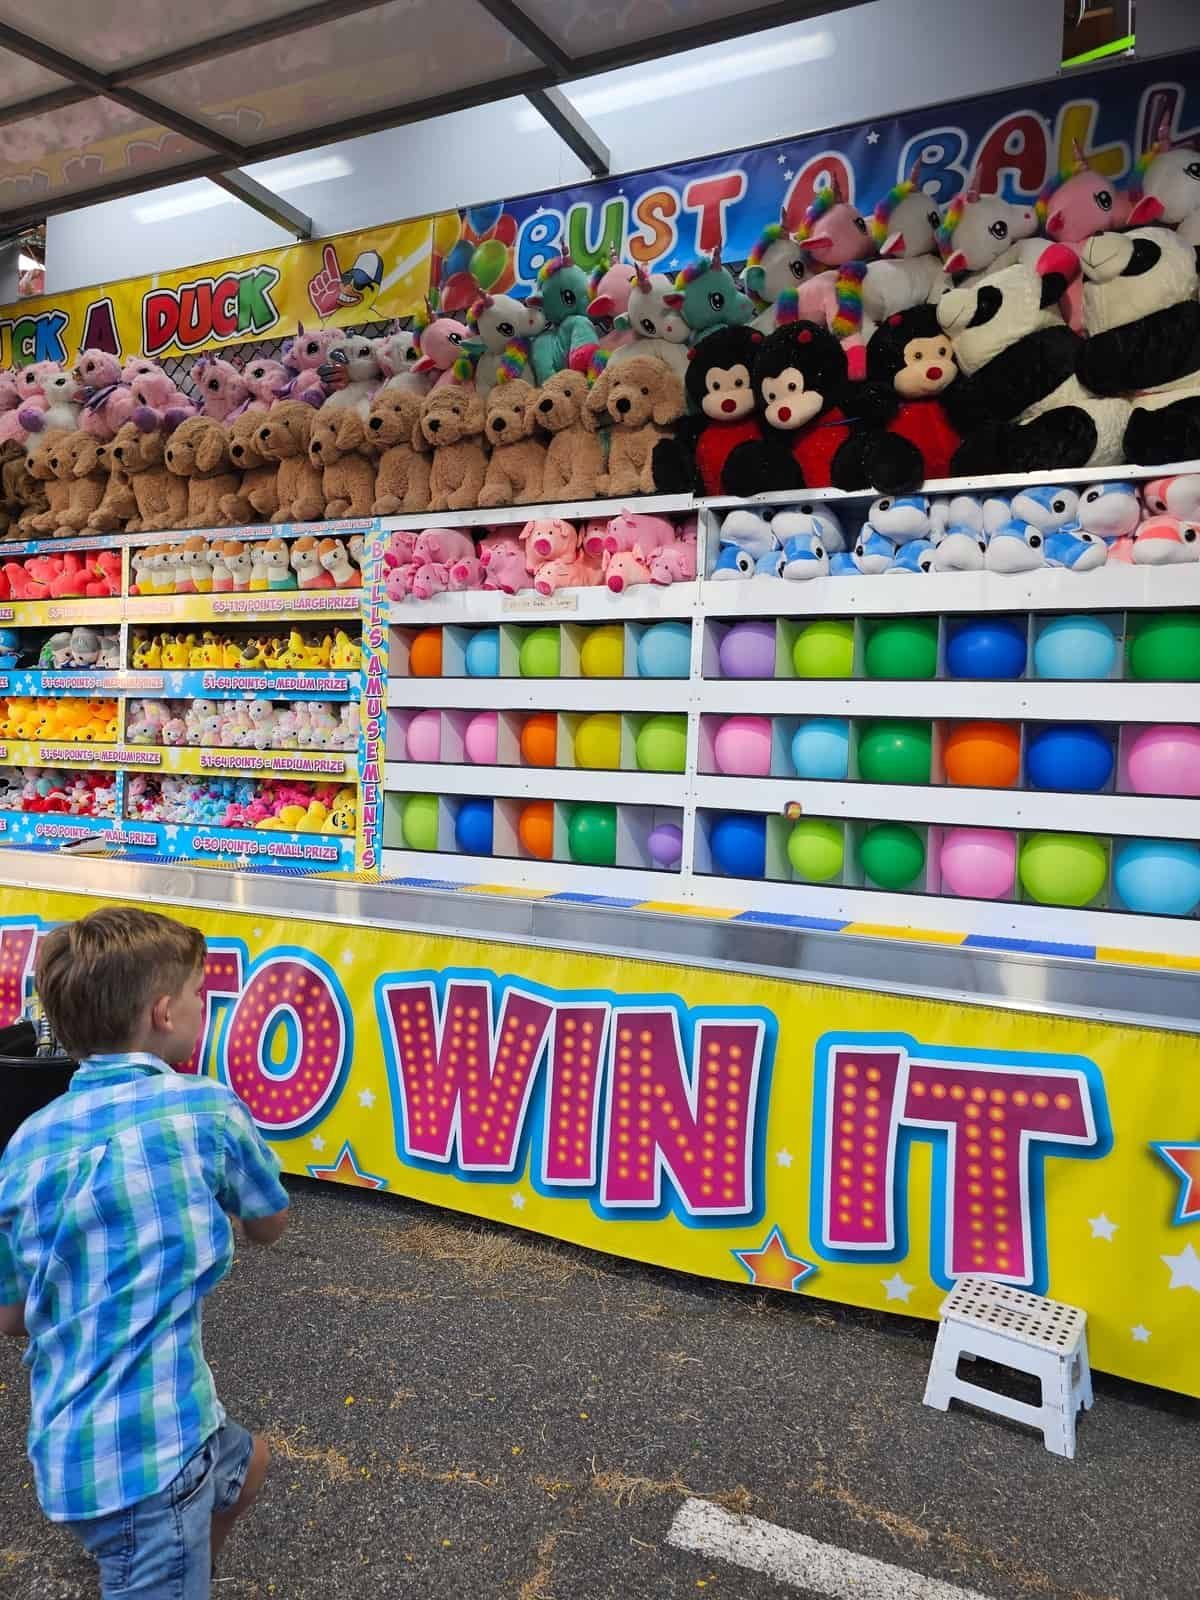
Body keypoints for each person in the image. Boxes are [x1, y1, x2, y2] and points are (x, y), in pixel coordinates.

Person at [0, 906, 289, 1598]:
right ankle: (172, 1567)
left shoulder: (25, 1143)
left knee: (248, 1464)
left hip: (75, 1446)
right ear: (163, 1013)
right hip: (149, 1465)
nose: (201, 1004)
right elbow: (270, 1221)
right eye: (197, 992)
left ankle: (194, 1565)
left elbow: (11, 1318)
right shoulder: (206, 1110)